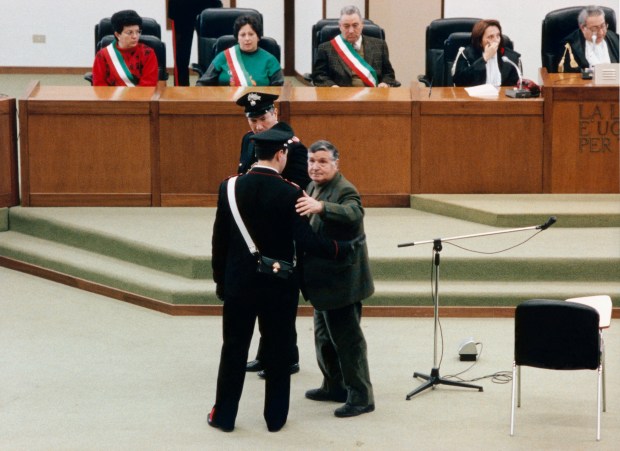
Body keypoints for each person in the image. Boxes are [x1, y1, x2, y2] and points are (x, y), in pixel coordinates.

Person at [209, 125, 362, 432]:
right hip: (279, 285)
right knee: (278, 350)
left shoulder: (229, 187)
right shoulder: (292, 192)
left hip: (239, 284)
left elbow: (219, 242)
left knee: (234, 349)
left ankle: (224, 416)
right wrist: (341, 249)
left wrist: (221, 284)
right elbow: (306, 242)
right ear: (280, 155)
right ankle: (275, 418)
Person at [295, 140, 375, 418]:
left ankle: (361, 396)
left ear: (335, 164)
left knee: (348, 342)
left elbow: (355, 213)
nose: (315, 167)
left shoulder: (344, 189)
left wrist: (322, 208)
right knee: (323, 338)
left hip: (343, 282)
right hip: (321, 281)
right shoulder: (312, 186)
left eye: (322, 161)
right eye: (311, 161)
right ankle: (334, 386)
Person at [235, 91, 310, 379]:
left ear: (275, 113)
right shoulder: (247, 141)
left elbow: (299, 188)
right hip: (255, 231)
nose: (257, 125)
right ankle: (265, 354)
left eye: (263, 118)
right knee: (260, 296)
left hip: (281, 231)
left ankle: (287, 356)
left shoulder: (294, 147)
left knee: (282, 298)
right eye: (252, 119)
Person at [312, 5, 399, 87]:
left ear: (362, 25)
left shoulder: (379, 45)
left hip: (373, 97)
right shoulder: (326, 48)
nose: (351, 30)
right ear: (340, 27)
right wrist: (332, 86)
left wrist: (384, 83)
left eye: (355, 25)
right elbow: (319, 76)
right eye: (346, 26)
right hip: (340, 98)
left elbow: (388, 74)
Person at [196, 15, 283, 86]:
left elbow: (279, 90)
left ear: (258, 37)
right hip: (225, 103)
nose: (247, 39)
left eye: (251, 34)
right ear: (237, 38)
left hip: (259, 105)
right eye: (243, 35)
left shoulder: (270, 60)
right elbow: (202, 83)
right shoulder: (224, 56)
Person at [92, 10, 158, 87]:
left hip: (140, 97)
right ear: (117, 34)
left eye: (138, 32)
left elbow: (148, 85)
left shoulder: (148, 53)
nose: (135, 36)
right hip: (111, 97)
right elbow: (99, 85)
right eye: (130, 32)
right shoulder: (103, 55)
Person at [167, 0, 223, 86]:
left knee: (211, 52)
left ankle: (210, 87)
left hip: (209, 6)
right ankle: (180, 91)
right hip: (181, 8)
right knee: (181, 56)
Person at [452, 19, 521, 87]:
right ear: (479, 41)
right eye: (490, 37)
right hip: (473, 97)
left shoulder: (510, 57)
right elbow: (459, 82)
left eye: (498, 36)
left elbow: (515, 87)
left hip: (502, 97)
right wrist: (484, 58)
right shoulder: (467, 54)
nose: (496, 40)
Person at [558, 6, 619, 73]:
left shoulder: (616, 39)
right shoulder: (569, 47)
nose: (601, 33)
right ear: (583, 28)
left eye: (603, 26)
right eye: (594, 28)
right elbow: (570, 78)